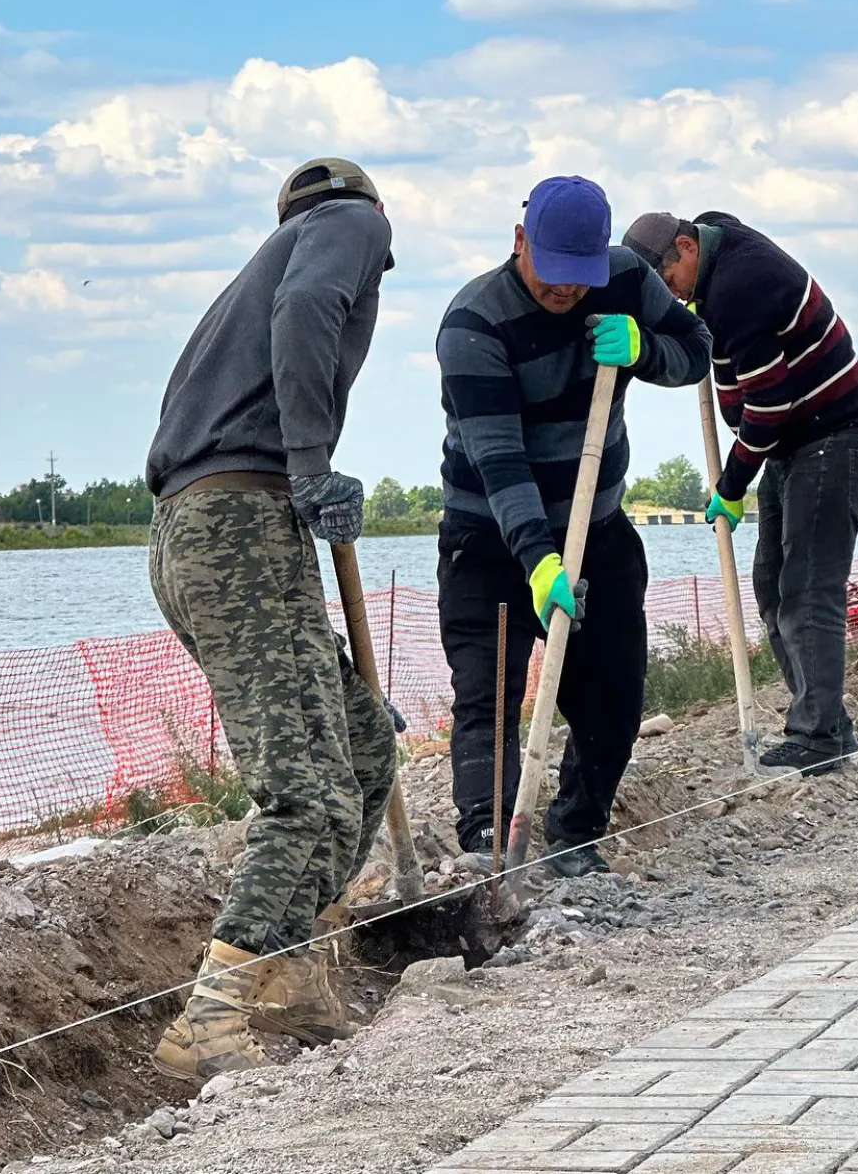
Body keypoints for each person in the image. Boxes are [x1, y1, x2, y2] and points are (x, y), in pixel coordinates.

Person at [143, 157, 398, 1083]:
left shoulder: (256, 269)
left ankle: (285, 977)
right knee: (308, 792)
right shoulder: (349, 227)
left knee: (364, 748)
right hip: (243, 523)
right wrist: (310, 465)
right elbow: (309, 312)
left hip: (202, 533)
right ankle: (210, 1017)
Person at [436, 176, 711, 875]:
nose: (567, 291)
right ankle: (489, 853)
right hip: (492, 543)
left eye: (579, 277)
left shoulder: (623, 279)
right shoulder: (473, 323)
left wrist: (645, 349)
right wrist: (539, 561)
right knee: (488, 702)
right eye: (553, 275)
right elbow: (502, 464)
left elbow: (697, 351)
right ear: (521, 242)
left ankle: (575, 837)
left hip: (600, 529)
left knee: (612, 701)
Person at [622, 210, 858, 776]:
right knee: (772, 581)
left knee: (808, 586)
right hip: (793, 441)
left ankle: (816, 735)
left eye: (668, 283)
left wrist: (732, 483)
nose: (673, 297)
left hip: (835, 435)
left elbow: (769, 407)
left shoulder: (741, 285)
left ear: (687, 248)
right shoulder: (717, 255)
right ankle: (827, 721)